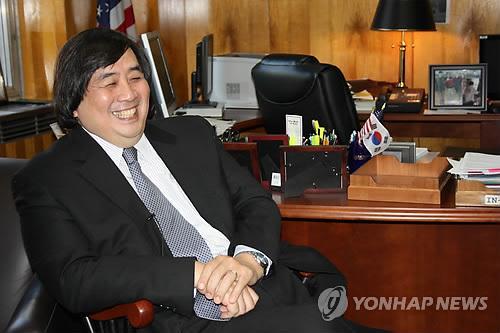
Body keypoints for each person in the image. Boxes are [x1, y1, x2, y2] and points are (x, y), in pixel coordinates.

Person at [12, 28, 385, 333]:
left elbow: (253, 202)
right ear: (74, 103)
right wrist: (197, 275)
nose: (128, 94)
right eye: (109, 82)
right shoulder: (47, 179)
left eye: (135, 77)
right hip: (179, 317)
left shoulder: (190, 135)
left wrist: (246, 264)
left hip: (265, 283)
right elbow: (74, 278)